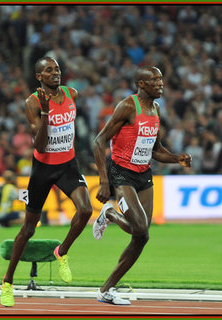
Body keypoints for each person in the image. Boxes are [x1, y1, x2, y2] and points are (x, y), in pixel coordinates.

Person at [92, 66, 192, 305]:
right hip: (121, 173)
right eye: (155, 80)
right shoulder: (128, 106)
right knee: (139, 228)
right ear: (142, 84)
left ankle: (106, 290)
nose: (160, 83)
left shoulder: (156, 108)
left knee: (142, 237)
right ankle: (109, 213)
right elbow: (99, 140)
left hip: (144, 174)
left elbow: (156, 150)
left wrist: (177, 158)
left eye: (161, 79)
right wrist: (104, 181)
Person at [0, 57, 93, 307]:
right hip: (43, 169)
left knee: (85, 209)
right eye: (49, 70)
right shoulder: (31, 102)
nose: (55, 73)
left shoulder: (71, 93)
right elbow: (40, 144)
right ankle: (8, 282)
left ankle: (61, 252)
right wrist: (45, 111)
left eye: (58, 69)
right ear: (39, 76)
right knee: (29, 228)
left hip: (68, 164)